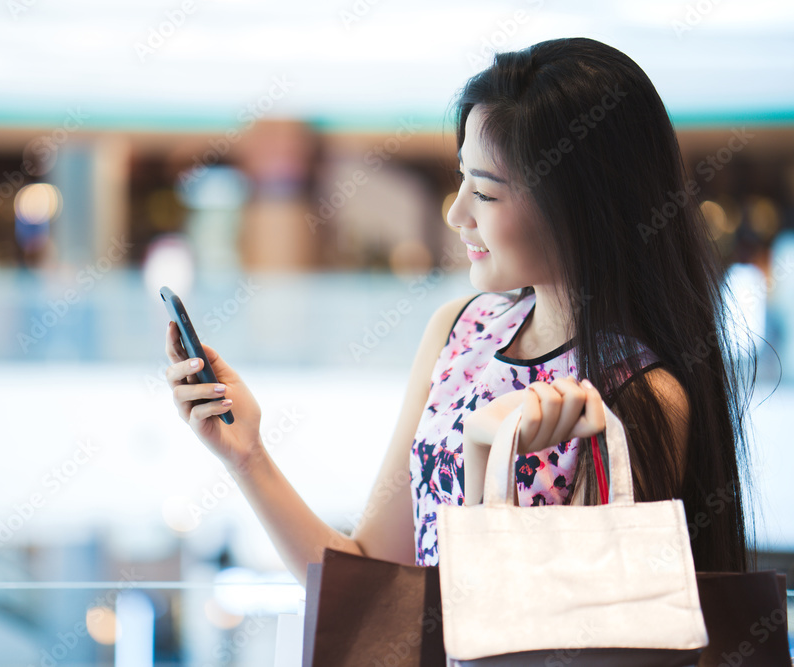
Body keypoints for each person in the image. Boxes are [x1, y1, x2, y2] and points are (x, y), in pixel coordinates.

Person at [164, 37, 756, 586]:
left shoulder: (639, 395)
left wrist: (483, 459)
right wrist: (247, 455)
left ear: (579, 206)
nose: (458, 213)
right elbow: (371, 579)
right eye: (462, 180)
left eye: (488, 191)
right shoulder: (460, 330)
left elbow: (565, 630)